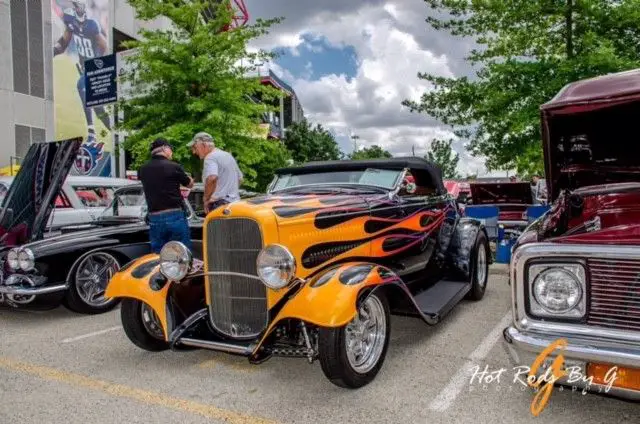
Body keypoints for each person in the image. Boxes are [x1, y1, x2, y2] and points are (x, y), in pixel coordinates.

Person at [53, 0, 110, 146]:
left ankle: (91, 133)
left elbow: (104, 46)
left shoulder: (92, 25)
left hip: (95, 68)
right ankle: (116, 130)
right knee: (98, 109)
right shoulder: (71, 22)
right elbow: (64, 42)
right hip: (85, 69)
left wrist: (96, 64)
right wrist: (52, 52)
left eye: (78, 6)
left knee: (81, 86)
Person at [138, 138, 194, 253]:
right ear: (164, 148)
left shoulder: (143, 169)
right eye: (171, 149)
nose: (172, 152)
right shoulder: (173, 166)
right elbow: (189, 184)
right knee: (182, 253)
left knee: (159, 254)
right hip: (174, 215)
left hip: (154, 217)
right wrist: (190, 178)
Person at [187, 132, 243, 213]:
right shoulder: (227, 155)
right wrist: (228, 192)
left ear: (204, 145)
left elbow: (212, 178)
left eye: (195, 147)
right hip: (235, 204)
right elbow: (240, 178)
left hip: (219, 204)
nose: (194, 152)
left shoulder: (210, 157)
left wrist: (206, 199)